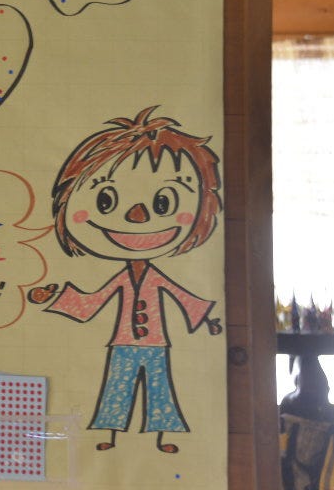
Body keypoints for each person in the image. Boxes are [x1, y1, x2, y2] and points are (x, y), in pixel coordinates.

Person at [29, 106, 223, 453]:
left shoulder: (157, 277)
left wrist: (207, 319)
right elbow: (92, 302)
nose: (137, 215)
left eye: (163, 203)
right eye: (106, 200)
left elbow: (183, 297)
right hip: (122, 342)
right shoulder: (121, 278)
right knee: (117, 387)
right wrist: (54, 297)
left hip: (156, 343)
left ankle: (163, 437)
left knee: (160, 390)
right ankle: (109, 434)